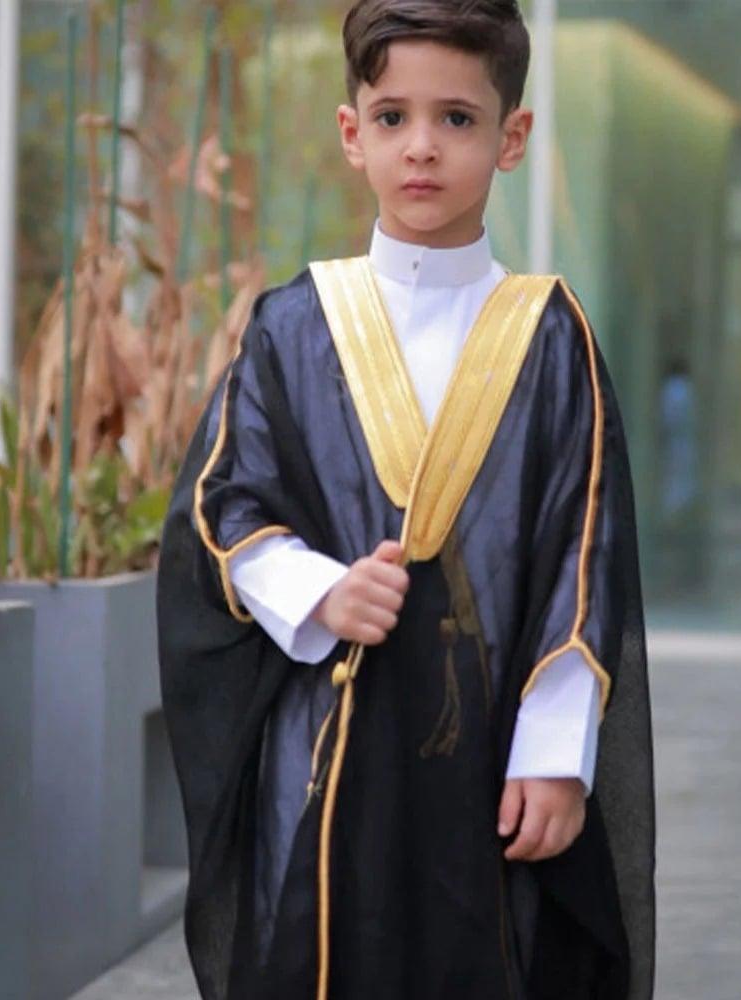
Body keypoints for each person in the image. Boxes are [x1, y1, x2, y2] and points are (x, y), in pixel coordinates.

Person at [158, 2, 655, 998]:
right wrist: (318, 590)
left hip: (492, 756)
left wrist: (557, 754)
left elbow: (583, 551)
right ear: (353, 133)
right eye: (392, 117)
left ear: (512, 136)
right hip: (324, 749)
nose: (421, 147)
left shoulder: (550, 334)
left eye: (456, 118)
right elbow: (220, 506)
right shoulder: (293, 325)